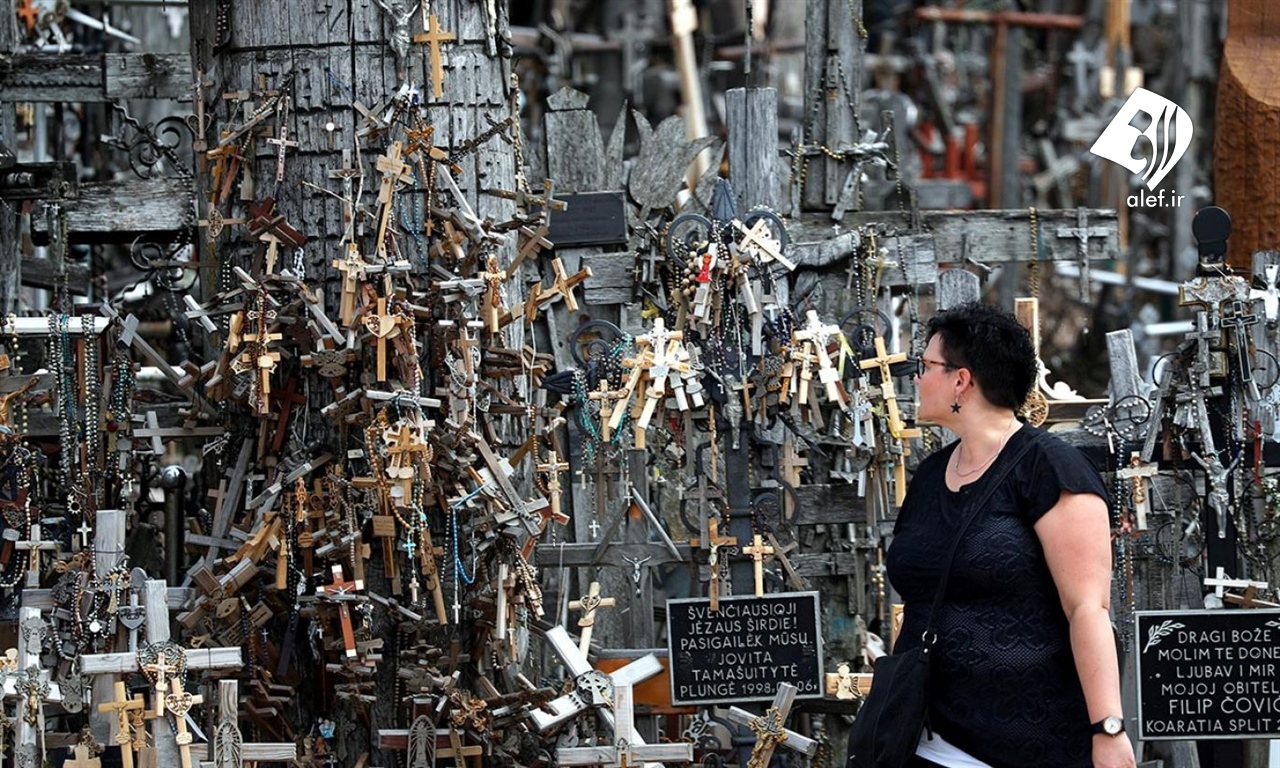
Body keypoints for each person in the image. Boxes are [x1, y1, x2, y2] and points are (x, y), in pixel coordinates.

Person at [886, 302, 1136, 768]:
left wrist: (1108, 728)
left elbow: (1088, 608)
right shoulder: (930, 476)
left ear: (961, 380)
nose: (916, 379)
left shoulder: (1050, 468)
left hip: (1029, 744)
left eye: (926, 365)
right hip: (924, 740)